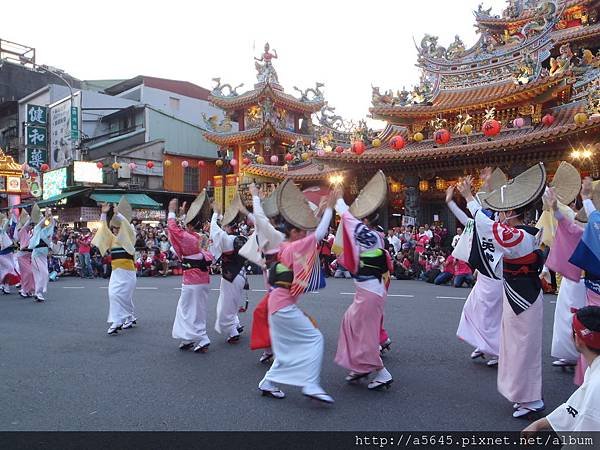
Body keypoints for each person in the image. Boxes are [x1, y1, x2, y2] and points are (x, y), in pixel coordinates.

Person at [456, 164, 546, 418]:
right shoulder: (525, 233)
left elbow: (490, 228)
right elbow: (492, 224)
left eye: (504, 210)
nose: (500, 214)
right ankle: (524, 395)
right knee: (515, 347)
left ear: (513, 212)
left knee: (522, 349)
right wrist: (487, 189)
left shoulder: (521, 236)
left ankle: (531, 400)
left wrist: (471, 198)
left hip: (523, 299)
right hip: (519, 295)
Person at [258, 179, 334, 403]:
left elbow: (313, 233)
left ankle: (269, 381)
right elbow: (318, 235)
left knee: (286, 348)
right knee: (314, 338)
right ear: (292, 231)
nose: (304, 233)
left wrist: (320, 213)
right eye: (300, 230)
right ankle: (310, 383)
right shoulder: (294, 246)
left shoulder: (283, 245)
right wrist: (329, 209)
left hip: (278, 305)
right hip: (283, 305)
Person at [333, 171, 394, 390]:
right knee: (350, 323)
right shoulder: (371, 237)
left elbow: (350, 222)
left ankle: (381, 373)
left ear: (366, 220)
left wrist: (339, 201)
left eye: (361, 217)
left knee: (366, 335)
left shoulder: (371, 236)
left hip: (370, 293)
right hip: (368, 291)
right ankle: (360, 366)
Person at [446, 175, 504, 368]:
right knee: (473, 309)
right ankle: (483, 343)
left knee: (492, 316)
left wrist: (478, 191)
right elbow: (468, 217)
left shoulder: (498, 230)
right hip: (484, 278)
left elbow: (482, 209)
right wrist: (450, 202)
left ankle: (496, 350)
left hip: (497, 279)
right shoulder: (479, 225)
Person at [523, 306, 600, 433]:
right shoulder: (595, 368)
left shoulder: (596, 385)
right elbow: (577, 405)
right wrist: (540, 424)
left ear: (579, 340)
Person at [168, 194, 214, 353]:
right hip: (203, 280)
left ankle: (202, 338)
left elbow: (174, 229)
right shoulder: (199, 237)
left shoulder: (188, 237)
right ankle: (188, 337)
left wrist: (171, 212)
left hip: (191, 281)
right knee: (194, 309)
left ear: (190, 226)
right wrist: (182, 215)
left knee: (188, 310)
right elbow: (181, 230)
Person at [210, 194, 253, 344]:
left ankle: (232, 331)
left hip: (231, 276)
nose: (223, 227)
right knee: (233, 303)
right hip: (241, 274)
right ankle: (236, 324)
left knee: (225, 305)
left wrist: (215, 213)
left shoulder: (227, 239)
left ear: (228, 227)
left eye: (225, 225)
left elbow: (214, 231)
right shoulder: (242, 238)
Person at [92, 199, 138, 335]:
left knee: (124, 296)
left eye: (118, 228)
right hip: (116, 273)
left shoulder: (129, 237)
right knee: (114, 294)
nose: (116, 230)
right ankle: (125, 318)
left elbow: (127, 226)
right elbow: (102, 230)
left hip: (128, 273)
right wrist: (103, 214)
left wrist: (118, 214)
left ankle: (120, 320)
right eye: (114, 228)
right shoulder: (112, 239)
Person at [28, 206, 55, 302]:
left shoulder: (48, 230)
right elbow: (41, 223)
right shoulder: (37, 229)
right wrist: (45, 216)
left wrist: (50, 215)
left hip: (43, 255)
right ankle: (39, 292)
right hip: (36, 255)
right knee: (44, 273)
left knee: (40, 275)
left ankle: (38, 293)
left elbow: (52, 223)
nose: (45, 222)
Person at [15, 209, 34, 298]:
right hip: (22, 255)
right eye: (29, 225)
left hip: (29, 255)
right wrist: (29, 217)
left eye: (31, 225)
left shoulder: (30, 232)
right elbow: (26, 223)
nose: (30, 226)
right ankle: (24, 290)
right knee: (28, 273)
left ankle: (28, 290)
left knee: (30, 273)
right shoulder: (22, 231)